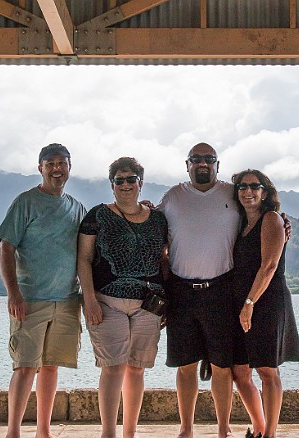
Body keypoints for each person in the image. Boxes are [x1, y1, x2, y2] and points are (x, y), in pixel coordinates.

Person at [158, 142, 289, 438]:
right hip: (182, 291)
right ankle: (187, 430)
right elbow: (154, 229)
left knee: (223, 367)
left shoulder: (229, 193)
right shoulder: (173, 196)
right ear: (187, 164)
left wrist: (281, 221)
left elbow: (263, 226)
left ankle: (224, 431)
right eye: (196, 159)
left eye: (208, 159)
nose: (202, 163)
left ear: (217, 164)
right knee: (188, 366)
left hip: (223, 293)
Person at [0, 143, 86, 438]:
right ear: (41, 169)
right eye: (50, 164)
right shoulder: (26, 202)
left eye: (62, 163)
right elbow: (6, 248)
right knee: (25, 367)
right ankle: (13, 432)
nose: (56, 169)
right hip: (30, 299)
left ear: (70, 168)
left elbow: (88, 250)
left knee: (51, 367)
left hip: (68, 299)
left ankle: (43, 432)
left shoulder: (76, 207)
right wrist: (13, 293)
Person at [77, 157, 168, 438]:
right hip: (106, 301)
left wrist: (169, 302)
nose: (126, 184)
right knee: (112, 367)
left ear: (141, 183)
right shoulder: (97, 215)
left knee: (137, 369)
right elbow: (83, 258)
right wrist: (89, 299)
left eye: (131, 179)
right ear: (112, 184)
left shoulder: (159, 219)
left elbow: (165, 259)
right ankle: (108, 433)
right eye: (120, 180)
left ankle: (130, 432)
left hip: (148, 304)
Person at [230, 169, 299, 438]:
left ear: (265, 192)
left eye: (254, 186)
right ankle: (259, 427)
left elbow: (269, 265)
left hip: (267, 301)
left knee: (267, 370)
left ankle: (269, 434)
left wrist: (250, 302)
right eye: (242, 187)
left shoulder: (271, 219)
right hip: (242, 302)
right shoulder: (239, 223)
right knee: (240, 370)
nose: (248, 191)